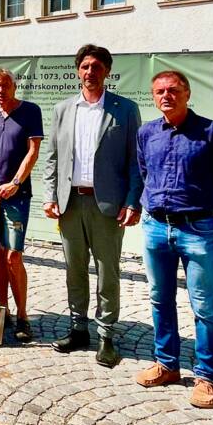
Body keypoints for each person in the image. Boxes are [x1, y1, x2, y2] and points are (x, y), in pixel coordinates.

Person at [135, 70, 213, 409]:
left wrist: (206, 210)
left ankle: (206, 378)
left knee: (204, 306)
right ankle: (166, 364)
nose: (166, 96)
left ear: (187, 93)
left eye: (173, 90)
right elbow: (144, 173)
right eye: (159, 91)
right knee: (159, 298)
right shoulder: (147, 133)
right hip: (155, 227)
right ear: (153, 96)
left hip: (197, 231)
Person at [42, 44, 142, 368]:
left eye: (97, 67)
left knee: (107, 272)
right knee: (74, 269)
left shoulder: (124, 110)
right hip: (71, 203)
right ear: (77, 70)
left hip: (107, 206)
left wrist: (132, 202)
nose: (90, 72)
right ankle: (78, 328)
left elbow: (135, 163)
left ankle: (107, 335)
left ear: (107, 71)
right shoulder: (62, 109)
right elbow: (53, 158)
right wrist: (50, 195)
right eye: (85, 66)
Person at [0, 68, 43, 342]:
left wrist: (15, 182)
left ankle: (23, 315)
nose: (1, 91)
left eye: (5, 86)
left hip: (16, 195)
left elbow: (33, 151)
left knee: (13, 256)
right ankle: (2, 310)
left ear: (14, 86)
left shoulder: (30, 111)